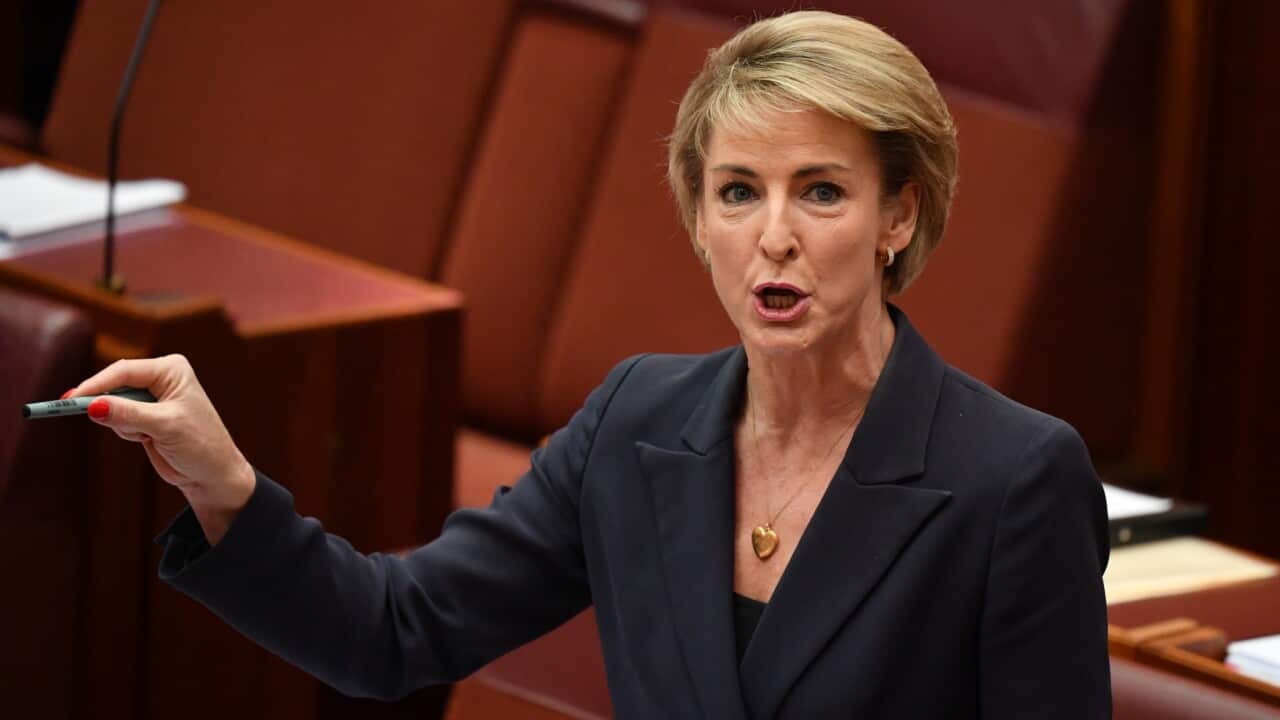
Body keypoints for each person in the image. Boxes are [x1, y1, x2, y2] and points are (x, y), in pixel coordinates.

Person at [67, 10, 1111, 719]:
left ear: (899, 214)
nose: (772, 237)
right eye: (736, 191)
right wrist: (223, 488)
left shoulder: (1009, 479)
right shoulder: (637, 421)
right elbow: (394, 631)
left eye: (821, 192)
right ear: (698, 219)